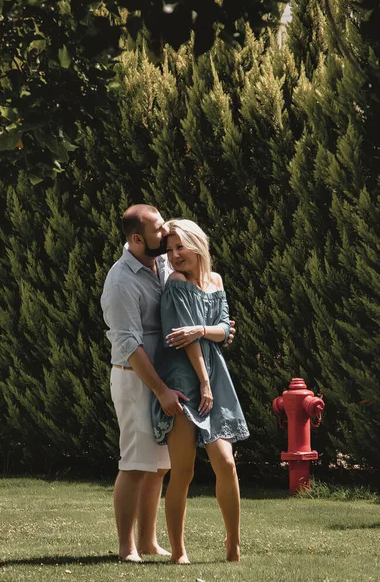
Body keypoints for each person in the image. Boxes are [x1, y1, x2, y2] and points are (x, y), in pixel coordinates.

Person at [151, 219, 249, 564]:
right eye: (170, 250)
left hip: (214, 377)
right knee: (184, 470)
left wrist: (202, 328)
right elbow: (184, 339)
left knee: (226, 462)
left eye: (180, 247)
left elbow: (225, 329)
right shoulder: (176, 283)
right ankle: (178, 551)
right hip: (183, 379)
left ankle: (233, 543)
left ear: (197, 245)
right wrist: (203, 381)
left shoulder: (216, 282)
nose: (175, 256)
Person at [100, 204, 189, 562]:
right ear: (137, 239)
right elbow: (130, 346)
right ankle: (126, 548)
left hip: (163, 376)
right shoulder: (120, 281)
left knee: (160, 465)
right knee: (135, 464)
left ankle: (149, 541)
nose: (166, 233)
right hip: (136, 380)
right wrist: (161, 391)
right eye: (158, 229)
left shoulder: (163, 262)